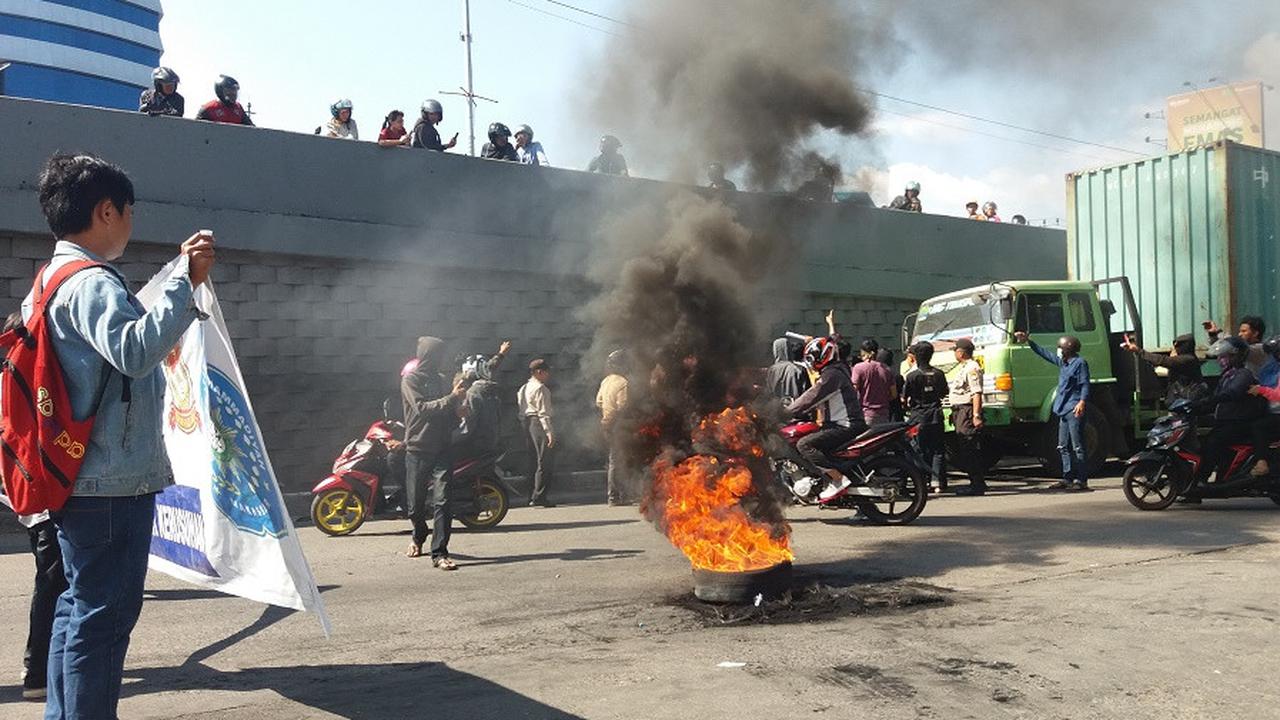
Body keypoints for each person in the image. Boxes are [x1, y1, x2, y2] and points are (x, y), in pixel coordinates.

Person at [32, 153, 214, 718]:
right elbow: (135, 352)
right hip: (108, 483)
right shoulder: (90, 283)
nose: (130, 224)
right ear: (106, 210)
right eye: (128, 212)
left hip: (76, 475)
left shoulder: (51, 278)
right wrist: (185, 281)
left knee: (77, 609)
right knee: (102, 620)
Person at [401, 336, 467, 570]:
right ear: (428, 356)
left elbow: (446, 412)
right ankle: (419, 536)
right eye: (438, 355)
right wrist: (451, 399)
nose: (442, 360)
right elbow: (422, 409)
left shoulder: (441, 380)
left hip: (442, 449)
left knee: (443, 500)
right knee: (415, 505)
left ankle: (439, 552)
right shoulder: (411, 381)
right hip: (418, 449)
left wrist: (458, 410)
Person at [784, 337, 865, 502]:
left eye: (814, 356)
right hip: (839, 424)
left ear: (825, 354)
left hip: (845, 425)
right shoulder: (836, 370)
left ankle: (837, 479)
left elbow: (812, 397)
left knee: (804, 444)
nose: (812, 361)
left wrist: (785, 412)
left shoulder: (832, 375)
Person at [1186, 337, 1263, 501]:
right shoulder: (1228, 375)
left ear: (1236, 356)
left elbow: (1232, 394)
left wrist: (1210, 401)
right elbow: (1216, 399)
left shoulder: (1243, 374)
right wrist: (1197, 406)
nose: (1221, 360)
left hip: (1239, 423)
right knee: (1206, 444)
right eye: (1220, 357)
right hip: (1227, 422)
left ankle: (1201, 483)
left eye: (1225, 357)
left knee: (1211, 444)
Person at [1015, 332, 1091, 491]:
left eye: (1060, 348)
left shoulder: (1080, 363)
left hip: (1074, 408)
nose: (1058, 351)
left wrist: (1082, 402)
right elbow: (1045, 354)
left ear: (1067, 349)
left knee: (1078, 446)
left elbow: (1085, 384)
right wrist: (1029, 341)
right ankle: (1067, 477)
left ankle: (1081, 480)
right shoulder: (1064, 363)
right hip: (1063, 409)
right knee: (1062, 446)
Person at [903, 342, 948, 493]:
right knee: (938, 450)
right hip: (936, 415)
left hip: (918, 417)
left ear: (915, 357)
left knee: (919, 450)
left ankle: (921, 481)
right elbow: (944, 393)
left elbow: (905, 397)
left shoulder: (912, 376)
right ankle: (937, 482)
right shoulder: (939, 374)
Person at [1121, 333, 1207, 406]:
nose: (1174, 349)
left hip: (1186, 400)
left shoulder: (1187, 359)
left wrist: (1138, 351)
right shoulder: (1186, 359)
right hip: (1182, 399)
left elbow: (1162, 360)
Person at [949, 338, 987, 495]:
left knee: (969, 447)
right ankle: (978, 482)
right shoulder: (964, 367)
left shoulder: (972, 368)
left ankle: (976, 484)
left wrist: (976, 415)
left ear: (961, 352)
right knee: (965, 447)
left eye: (956, 350)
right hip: (960, 411)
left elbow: (976, 392)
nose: (954, 353)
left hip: (967, 411)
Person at [519, 359, 557, 507]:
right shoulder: (541, 389)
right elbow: (544, 413)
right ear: (539, 372)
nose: (548, 375)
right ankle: (540, 496)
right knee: (544, 460)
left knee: (532, 460)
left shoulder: (524, 388)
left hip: (527, 423)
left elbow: (521, 409)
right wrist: (550, 432)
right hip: (539, 424)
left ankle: (530, 494)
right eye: (546, 372)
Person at [596, 350, 631, 505]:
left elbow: (599, 401)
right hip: (618, 424)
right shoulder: (623, 382)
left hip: (606, 423)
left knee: (613, 459)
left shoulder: (606, 381)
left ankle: (617, 495)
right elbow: (623, 406)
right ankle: (615, 496)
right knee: (618, 460)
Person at [1247, 336, 1280, 476]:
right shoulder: (1273, 367)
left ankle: (1262, 462)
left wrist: (1260, 390)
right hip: (1272, 411)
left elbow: (1278, 395)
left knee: (1259, 426)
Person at [850, 338, 897, 426]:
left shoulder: (859, 367)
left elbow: (853, 390)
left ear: (864, 352)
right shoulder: (887, 369)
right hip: (884, 415)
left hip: (865, 414)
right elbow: (893, 394)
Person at [765, 337, 810, 405]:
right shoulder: (798, 369)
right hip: (796, 408)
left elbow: (768, 392)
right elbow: (807, 391)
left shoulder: (771, 370)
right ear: (789, 350)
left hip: (776, 410)